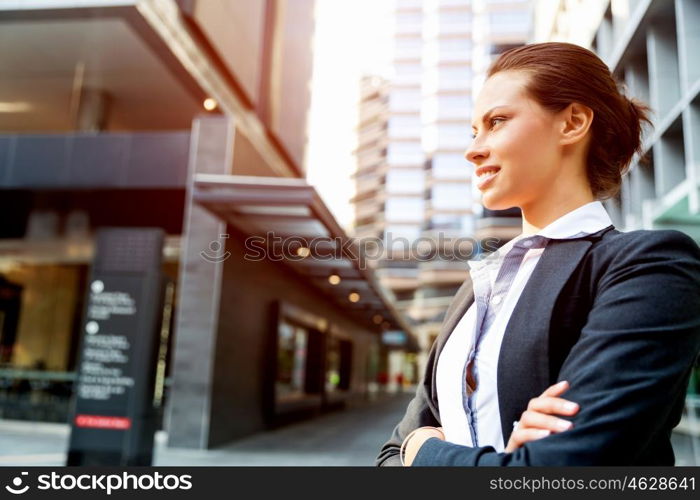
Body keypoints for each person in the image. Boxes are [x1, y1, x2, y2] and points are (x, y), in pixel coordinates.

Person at [375, 42, 700, 466]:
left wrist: (424, 451)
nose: (473, 150)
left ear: (573, 123)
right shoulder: (478, 287)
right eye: (475, 131)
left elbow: (560, 469)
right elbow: (387, 454)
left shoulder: (650, 267)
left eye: (497, 121)